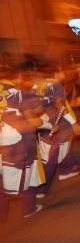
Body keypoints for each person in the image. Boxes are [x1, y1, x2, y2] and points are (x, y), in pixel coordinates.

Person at [0, 73, 53, 223]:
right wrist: (50, 126)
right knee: (29, 174)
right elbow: (33, 120)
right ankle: (28, 208)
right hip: (20, 143)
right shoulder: (20, 93)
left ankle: (1, 216)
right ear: (17, 78)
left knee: (1, 177)